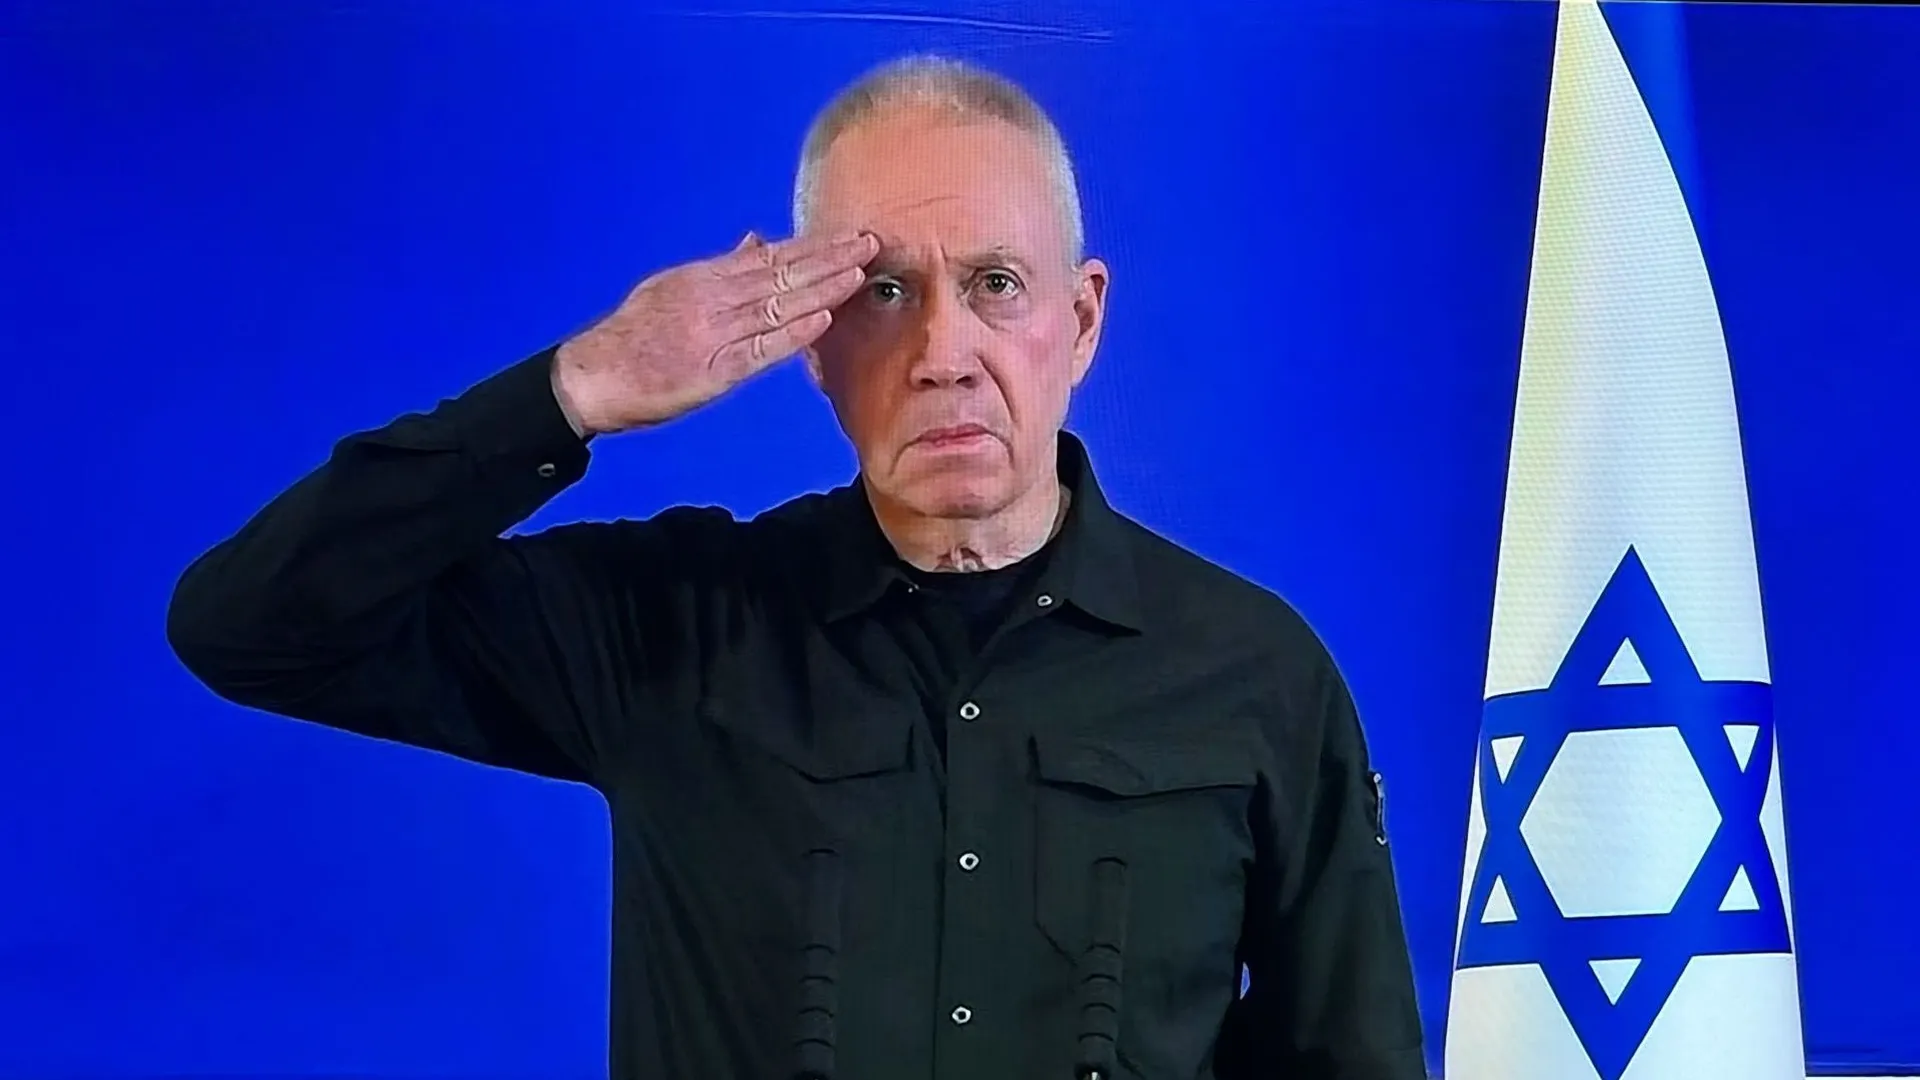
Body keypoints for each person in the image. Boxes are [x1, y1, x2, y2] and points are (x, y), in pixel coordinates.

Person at [167, 53, 1425, 1080]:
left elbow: (1348, 1058)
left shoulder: (1256, 674)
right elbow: (251, 625)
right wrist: (576, 390)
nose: (945, 351)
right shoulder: (674, 626)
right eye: (882, 292)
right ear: (811, 344)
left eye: (996, 285)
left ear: (1081, 318)